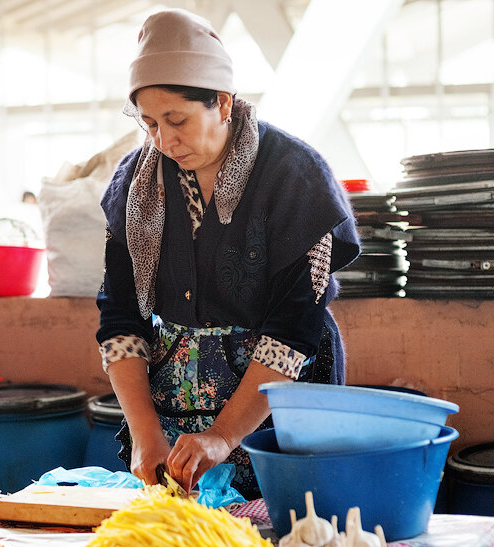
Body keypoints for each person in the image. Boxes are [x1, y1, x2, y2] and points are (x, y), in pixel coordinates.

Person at [96, 9, 361, 498]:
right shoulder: (137, 184)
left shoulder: (294, 176)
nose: (163, 141)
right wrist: (145, 432)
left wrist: (223, 434)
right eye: (150, 123)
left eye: (177, 120)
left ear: (221, 102)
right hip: (175, 398)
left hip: (277, 400)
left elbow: (294, 328)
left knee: (284, 535)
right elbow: (120, 317)